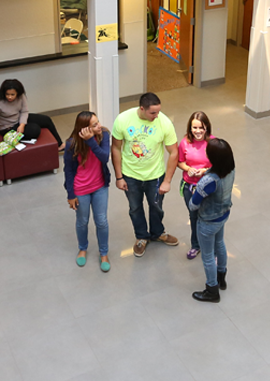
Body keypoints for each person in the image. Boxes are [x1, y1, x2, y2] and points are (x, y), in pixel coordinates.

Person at [112, 92, 180, 257]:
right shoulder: (122, 120)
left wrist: (168, 181)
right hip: (130, 175)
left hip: (155, 177)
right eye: (153, 113)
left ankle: (157, 233)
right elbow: (115, 148)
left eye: (158, 112)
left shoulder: (164, 122)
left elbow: (174, 152)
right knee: (135, 208)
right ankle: (141, 236)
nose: (156, 116)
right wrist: (119, 177)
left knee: (156, 206)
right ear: (142, 109)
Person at [188, 138, 236, 303]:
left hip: (207, 222)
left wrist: (195, 189)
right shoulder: (231, 170)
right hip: (223, 215)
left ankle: (212, 289)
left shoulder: (209, 181)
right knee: (220, 244)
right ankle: (222, 278)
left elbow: (193, 205)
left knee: (208, 256)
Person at [63, 111, 111, 272]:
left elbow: (104, 157)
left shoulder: (103, 135)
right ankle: (82, 248)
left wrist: (91, 141)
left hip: (100, 187)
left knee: (102, 221)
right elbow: (68, 171)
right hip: (80, 189)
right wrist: (71, 195)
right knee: (82, 221)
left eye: (98, 122)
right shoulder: (71, 144)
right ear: (84, 129)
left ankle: (103, 253)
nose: (99, 126)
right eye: (94, 125)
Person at [0, 79, 64, 150]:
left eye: (12, 95)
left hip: (19, 120)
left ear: (17, 93)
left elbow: (24, 111)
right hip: (8, 128)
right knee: (35, 129)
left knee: (46, 120)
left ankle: (59, 145)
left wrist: (22, 125)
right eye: (7, 94)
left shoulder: (21, 96)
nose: (10, 97)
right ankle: (13, 139)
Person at [176, 111, 215, 260]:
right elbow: (180, 161)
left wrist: (205, 171)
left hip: (207, 187)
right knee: (194, 216)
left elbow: (218, 165)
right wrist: (188, 169)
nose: (197, 131)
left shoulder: (213, 143)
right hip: (189, 186)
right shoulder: (185, 142)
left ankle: (210, 247)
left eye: (201, 127)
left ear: (207, 127)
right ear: (190, 128)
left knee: (207, 216)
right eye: (194, 128)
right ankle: (196, 245)